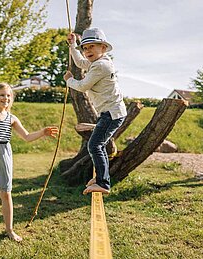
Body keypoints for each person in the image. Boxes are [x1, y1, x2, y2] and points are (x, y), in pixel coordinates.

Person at [0, 82, 58, 242]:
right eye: (2, 95)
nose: (6, 98)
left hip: (4, 156)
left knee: (6, 193)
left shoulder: (12, 118)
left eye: (9, 95)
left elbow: (27, 137)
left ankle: (9, 230)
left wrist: (43, 132)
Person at [63, 28, 127, 195]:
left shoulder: (100, 66)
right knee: (98, 145)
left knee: (95, 145)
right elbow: (79, 63)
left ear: (103, 48)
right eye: (85, 48)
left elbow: (83, 86)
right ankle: (101, 177)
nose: (87, 50)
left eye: (92, 46)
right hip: (111, 112)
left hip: (111, 113)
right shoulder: (97, 62)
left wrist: (69, 80)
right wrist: (73, 45)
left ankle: (103, 183)